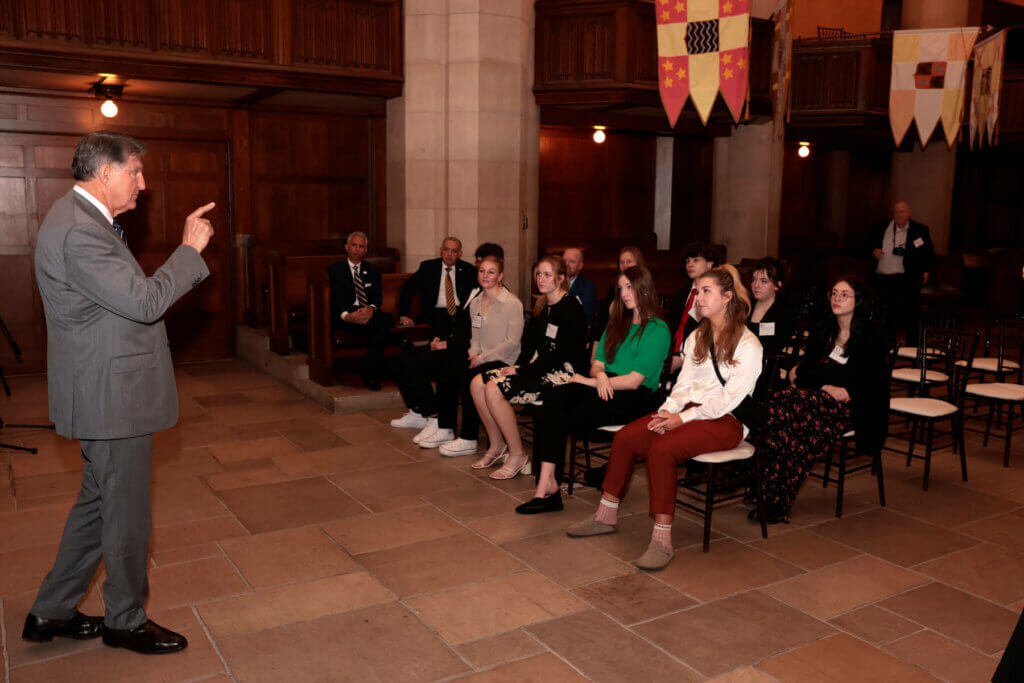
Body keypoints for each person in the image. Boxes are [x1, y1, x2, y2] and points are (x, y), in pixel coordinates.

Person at [24, 131, 214, 655]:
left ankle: (51, 610)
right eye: (135, 171)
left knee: (96, 505)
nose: (142, 183)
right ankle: (125, 621)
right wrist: (188, 250)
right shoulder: (80, 231)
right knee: (126, 513)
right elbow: (145, 302)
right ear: (105, 173)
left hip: (104, 390)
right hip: (112, 397)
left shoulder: (81, 219)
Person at [567, 265, 762, 570]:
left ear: (727, 297)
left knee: (661, 449)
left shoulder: (749, 345)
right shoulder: (698, 336)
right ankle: (605, 515)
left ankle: (662, 541)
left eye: (706, 291)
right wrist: (668, 410)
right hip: (690, 412)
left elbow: (728, 399)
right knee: (627, 437)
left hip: (727, 419)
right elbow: (684, 383)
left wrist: (683, 418)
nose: (698, 298)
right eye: (697, 292)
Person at [517, 265, 670, 514]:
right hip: (605, 385)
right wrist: (599, 376)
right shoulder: (618, 322)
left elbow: (633, 381)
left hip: (636, 397)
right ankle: (547, 483)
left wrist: (591, 381)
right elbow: (596, 364)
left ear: (644, 289)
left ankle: (548, 490)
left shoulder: (657, 329)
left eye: (630, 287)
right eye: (621, 288)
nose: (624, 294)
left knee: (559, 411)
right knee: (554, 396)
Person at [753, 275, 889, 523]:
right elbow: (805, 372)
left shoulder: (870, 336)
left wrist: (822, 378)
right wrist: (826, 384)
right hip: (819, 398)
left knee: (794, 419)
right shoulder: (824, 330)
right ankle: (770, 492)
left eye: (844, 294)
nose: (837, 298)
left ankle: (775, 497)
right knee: (782, 408)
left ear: (858, 300)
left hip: (852, 407)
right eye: (834, 293)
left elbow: (864, 383)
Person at [470, 255, 588, 475]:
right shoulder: (543, 304)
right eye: (539, 274)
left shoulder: (570, 307)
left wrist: (524, 370)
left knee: (493, 388)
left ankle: (517, 455)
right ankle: (497, 445)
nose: (541, 279)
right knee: (477, 383)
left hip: (564, 374)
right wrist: (518, 365)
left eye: (547, 275)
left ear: (561, 278)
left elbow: (561, 352)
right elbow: (529, 344)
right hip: (540, 367)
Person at [417, 255, 524, 451]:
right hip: (479, 356)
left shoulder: (512, 303)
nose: (485, 275)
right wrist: (474, 354)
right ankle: (446, 428)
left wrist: (482, 358)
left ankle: (469, 438)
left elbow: (512, 342)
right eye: (482, 271)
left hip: (503, 360)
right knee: (447, 374)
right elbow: (474, 336)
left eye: (491, 272)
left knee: (469, 379)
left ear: (500, 276)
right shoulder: (476, 302)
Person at [390, 237, 477, 427]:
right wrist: (404, 314)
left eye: (454, 251)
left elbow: (476, 302)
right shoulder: (428, 267)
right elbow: (407, 289)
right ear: (440, 250)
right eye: (446, 249)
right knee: (403, 361)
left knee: (423, 362)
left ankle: (431, 412)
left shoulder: (469, 270)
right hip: (435, 317)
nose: (449, 254)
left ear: (460, 254)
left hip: (460, 319)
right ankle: (418, 410)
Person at [327, 231, 394, 391]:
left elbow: (377, 297)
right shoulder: (335, 270)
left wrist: (370, 309)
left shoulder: (373, 270)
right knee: (379, 328)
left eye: (361, 246)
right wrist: (348, 316)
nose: (358, 249)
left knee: (384, 323)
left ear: (365, 250)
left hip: (368, 313)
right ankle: (373, 374)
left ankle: (374, 373)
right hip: (347, 317)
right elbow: (335, 299)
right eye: (354, 245)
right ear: (347, 248)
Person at [869, 200, 935, 345]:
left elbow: (928, 253)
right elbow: (866, 246)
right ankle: (886, 346)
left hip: (907, 278)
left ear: (909, 214)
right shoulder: (881, 228)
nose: (899, 215)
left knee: (911, 314)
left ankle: (912, 347)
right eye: (896, 212)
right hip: (884, 278)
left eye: (902, 211)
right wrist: (873, 251)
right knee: (887, 315)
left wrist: (927, 271)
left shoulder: (919, 230)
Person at [665, 242, 719, 375]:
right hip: (669, 354)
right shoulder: (680, 294)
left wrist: (683, 357)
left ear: (709, 264)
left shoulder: (714, 298)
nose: (690, 264)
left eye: (695, 260)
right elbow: (670, 326)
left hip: (697, 361)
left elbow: (710, 334)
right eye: (687, 261)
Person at [592, 246, 646, 342]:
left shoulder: (644, 290)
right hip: (612, 338)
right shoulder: (612, 291)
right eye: (622, 262)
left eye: (629, 261)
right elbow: (603, 321)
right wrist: (596, 341)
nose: (625, 265)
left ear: (638, 263)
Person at [747, 257, 795, 359]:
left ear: (777, 285)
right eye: (753, 280)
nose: (756, 285)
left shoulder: (784, 313)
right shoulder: (745, 307)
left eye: (763, 281)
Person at [563, 247, 598, 323]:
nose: (566, 264)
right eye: (564, 261)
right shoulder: (553, 283)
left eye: (571, 261)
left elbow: (586, 318)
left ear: (580, 266)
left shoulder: (588, 288)